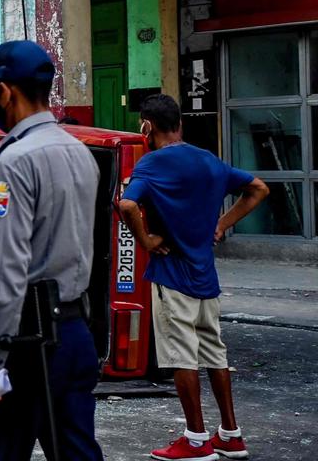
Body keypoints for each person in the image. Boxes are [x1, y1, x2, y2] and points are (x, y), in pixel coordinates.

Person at [0, 40, 104, 461]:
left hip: (30, 345)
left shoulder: (15, 159)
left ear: (5, 91)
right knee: (77, 452)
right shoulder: (80, 153)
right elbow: (64, 246)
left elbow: (8, 264)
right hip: (77, 333)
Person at [119, 94, 267, 461]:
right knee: (215, 354)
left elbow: (126, 204)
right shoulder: (210, 161)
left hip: (173, 277)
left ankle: (196, 439)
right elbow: (258, 189)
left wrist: (148, 240)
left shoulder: (152, 164)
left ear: (147, 126)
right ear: (180, 124)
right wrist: (222, 223)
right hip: (206, 277)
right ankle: (231, 435)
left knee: (182, 357)